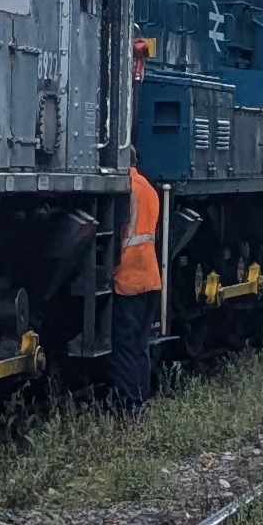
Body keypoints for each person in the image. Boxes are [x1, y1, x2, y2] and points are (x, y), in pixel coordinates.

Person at [111, 40, 164, 409]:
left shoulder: (126, 188)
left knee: (126, 348)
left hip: (128, 281)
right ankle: (141, 399)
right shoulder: (150, 189)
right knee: (141, 347)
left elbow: (119, 232)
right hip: (151, 279)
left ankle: (129, 406)